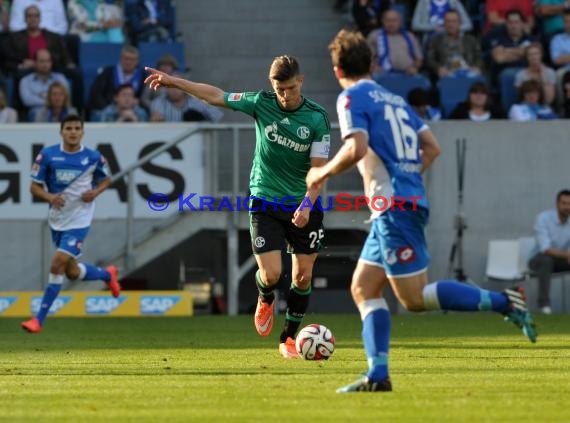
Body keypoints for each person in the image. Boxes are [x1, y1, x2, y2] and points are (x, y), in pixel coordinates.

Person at [306, 29, 537, 393]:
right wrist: (408, 178)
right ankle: (378, 376)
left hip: (393, 207)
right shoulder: (396, 101)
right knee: (364, 288)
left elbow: (357, 148)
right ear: (371, 63)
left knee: (413, 299)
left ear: (337, 71)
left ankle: (502, 301)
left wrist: (319, 172)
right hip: (401, 203)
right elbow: (431, 147)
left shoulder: (351, 97)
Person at [145, 55, 331, 358]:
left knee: (302, 277)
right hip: (265, 199)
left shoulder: (316, 118)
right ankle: (265, 296)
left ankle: (287, 339)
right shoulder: (261, 102)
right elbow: (216, 95)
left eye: (289, 88)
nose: (284, 95)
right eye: (279, 88)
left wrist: (307, 205)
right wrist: (173, 81)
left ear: (301, 81)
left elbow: (318, 168)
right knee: (271, 274)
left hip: (302, 202)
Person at [21, 114, 120, 334]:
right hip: (58, 219)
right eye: (69, 128)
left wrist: (95, 192)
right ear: (61, 131)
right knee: (72, 272)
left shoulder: (93, 157)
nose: (73, 131)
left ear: (83, 131)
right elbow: (34, 187)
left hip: (80, 219)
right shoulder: (48, 155)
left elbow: (106, 180)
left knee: (57, 264)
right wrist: (50, 197)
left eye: (77, 128)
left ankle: (38, 319)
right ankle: (107, 275)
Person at [528, 190, 570, 315]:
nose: (567, 207)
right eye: (564, 203)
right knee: (546, 260)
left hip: (561, 261)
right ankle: (544, 305)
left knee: (550, 260)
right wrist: (568, 255)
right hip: (538, 260)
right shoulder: (544, 218)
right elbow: (545, 249)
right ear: (557, 204)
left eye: (569, 204)